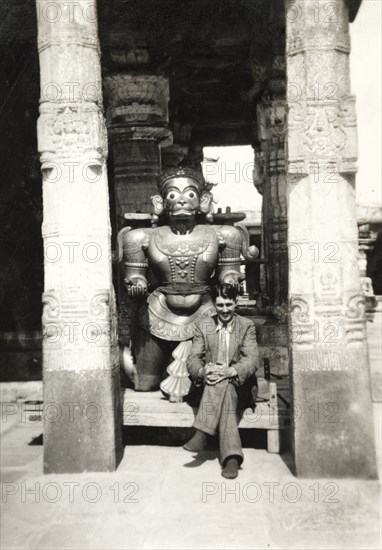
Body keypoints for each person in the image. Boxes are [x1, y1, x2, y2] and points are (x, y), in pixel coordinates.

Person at [185, 284, 258, 479]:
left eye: (228, 304)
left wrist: (230, 371)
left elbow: (251, 360)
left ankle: (203, 431)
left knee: (225, 382)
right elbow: (193, 358)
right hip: (210, 384)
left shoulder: (246, 325)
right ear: (214, 306)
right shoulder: (204, 325)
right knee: (222, 386)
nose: (224, 310)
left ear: (236, 303)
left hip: (240, 384)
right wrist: (202, 371)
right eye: (220, 305)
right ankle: (231, 458)